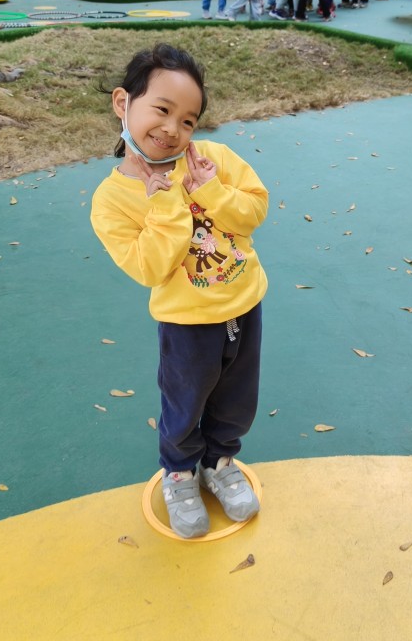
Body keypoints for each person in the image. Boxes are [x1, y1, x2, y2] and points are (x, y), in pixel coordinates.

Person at [90, 43, 269, 540]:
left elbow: (254, 210)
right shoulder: (111, 201)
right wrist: (168, 202)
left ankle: (219, 462)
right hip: (187, 324)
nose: (173, 128)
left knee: (237, 399)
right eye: (162, 110)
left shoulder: (213, 159)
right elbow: (151, 267)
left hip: (244, 304)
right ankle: (180, 472)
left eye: (188, 120)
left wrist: (210, 189)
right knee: (185, 403)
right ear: (123, 103)